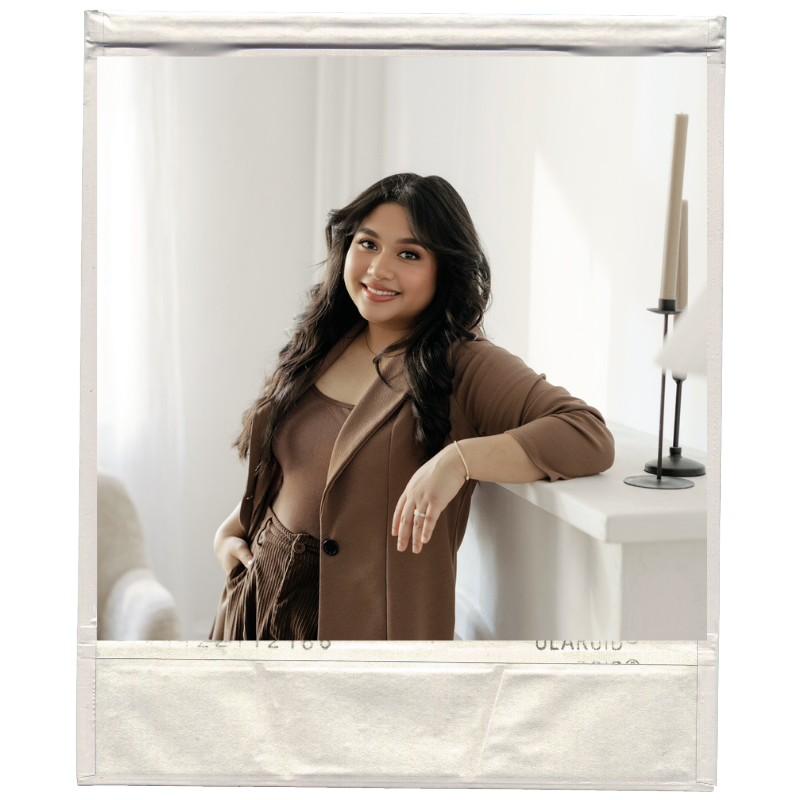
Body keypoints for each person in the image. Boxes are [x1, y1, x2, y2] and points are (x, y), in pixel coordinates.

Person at [209, 173, 614, 642]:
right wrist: (231, 530)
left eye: (409, 254)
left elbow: (586, 433)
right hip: (255, 601)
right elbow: (299, 468)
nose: (379, 269)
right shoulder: (322, 342)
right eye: (367, 243)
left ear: (445, 269)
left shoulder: (463, 362)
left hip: (362, 636)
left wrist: (460, 460)